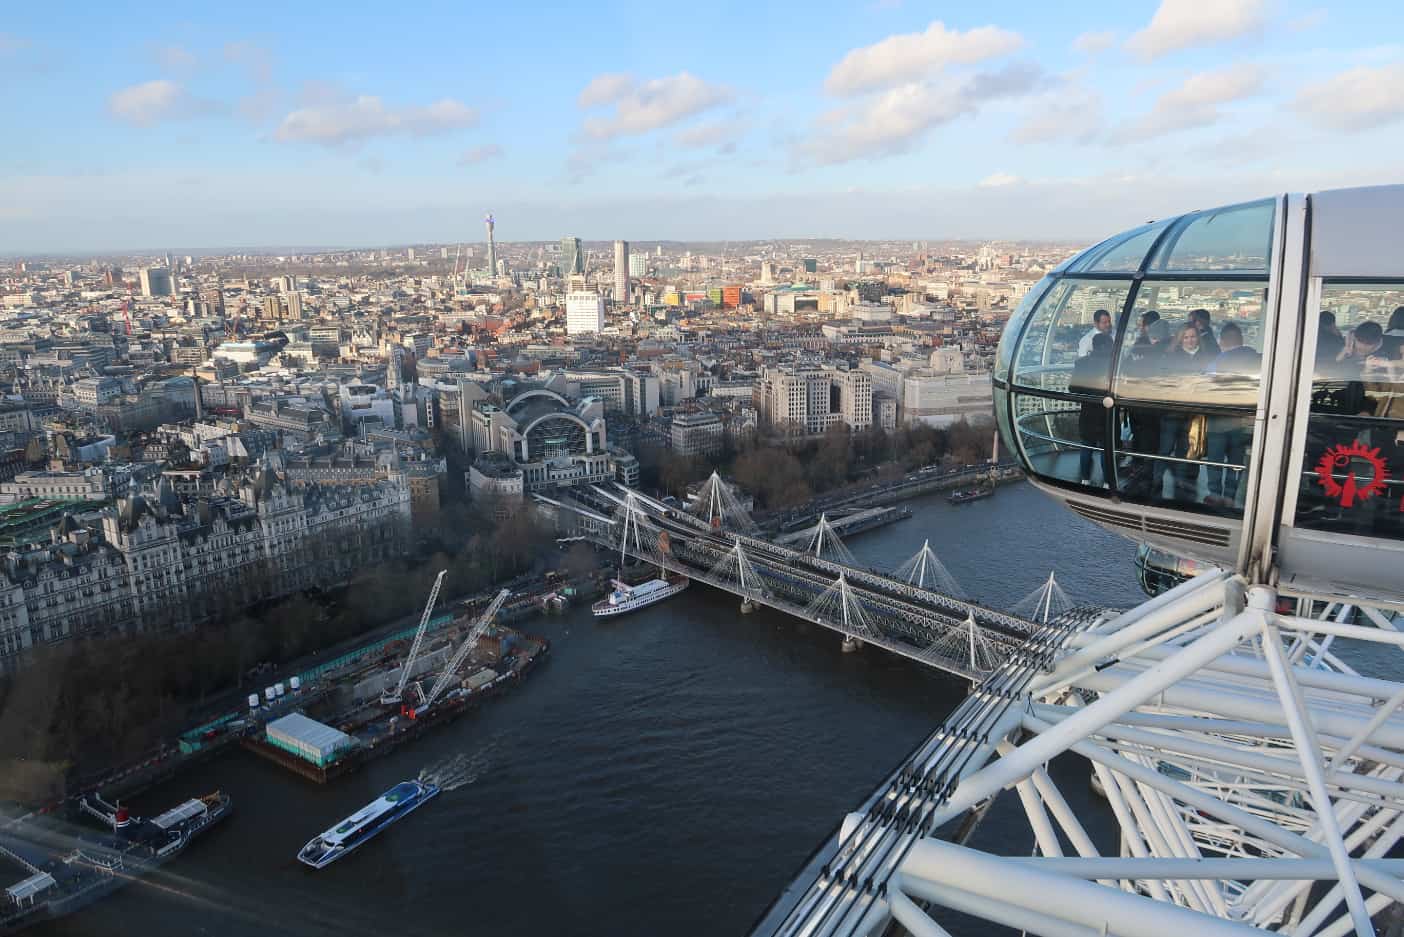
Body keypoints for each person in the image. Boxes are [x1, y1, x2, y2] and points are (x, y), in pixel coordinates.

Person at [1204, 323, 1261, 507]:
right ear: (1242, 340)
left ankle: (1214, 494)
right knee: (1236, 461)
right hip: (1244, 421)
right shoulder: (1257, 358)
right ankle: (1230, 496)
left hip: (1219, 420)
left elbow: (1204, 386)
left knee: (1215, 459)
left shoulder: (1217, 361)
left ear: (1222, 341)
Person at [1157, 323, 1212, 501]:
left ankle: (1180, 484)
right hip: (1172, 413)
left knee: (1184, 450)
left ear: (1198, 338)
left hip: (1193, 414)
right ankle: (1155, 482)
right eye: (1186, 337)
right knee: (1164, 449)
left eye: (1193, 337)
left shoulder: (1205, 357)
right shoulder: (1171, 357)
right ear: (1180, 339)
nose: (1189, 340)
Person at [1070, 332, 1113, 485]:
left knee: (1087, 446)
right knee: (1105, 449)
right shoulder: (1113, 365)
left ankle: (1085, 479)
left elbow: (1073, 388)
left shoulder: (1081, 363)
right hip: (1107, 412)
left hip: (1088, 412)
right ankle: (1108, 482)